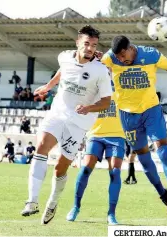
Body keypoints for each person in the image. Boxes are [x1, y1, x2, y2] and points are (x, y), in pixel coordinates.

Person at [20, 25, 112, 225]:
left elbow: (106, 101)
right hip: (58, 113)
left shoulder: (100, 70)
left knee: (60, 168)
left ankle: (52, 202)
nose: (89, 48)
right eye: (86, 44)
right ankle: (32, 201)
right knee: (42, 145)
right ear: (78, 43)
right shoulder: (64, 56)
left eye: (93, 45)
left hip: (79, 123)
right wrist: (49, 86)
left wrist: (88, 108)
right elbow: (64, 70)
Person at [100, 35, 167, 223]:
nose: (122, 61)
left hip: (151, 110)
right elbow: (94, 64)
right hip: (127, 115)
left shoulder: (151, 54)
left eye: (125, 56)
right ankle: (164, 195)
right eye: (119, 58)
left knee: (164, 152)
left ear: (131, 48)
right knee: (144, 158)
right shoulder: (110, 58)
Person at [66, 82, 125, 225]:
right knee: (86, 168)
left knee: (115, 172)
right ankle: (75, 207)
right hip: (95, 135)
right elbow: (79, 111)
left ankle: (111, 213)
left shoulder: (123, 92)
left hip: (117, 136)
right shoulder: (92, 94)